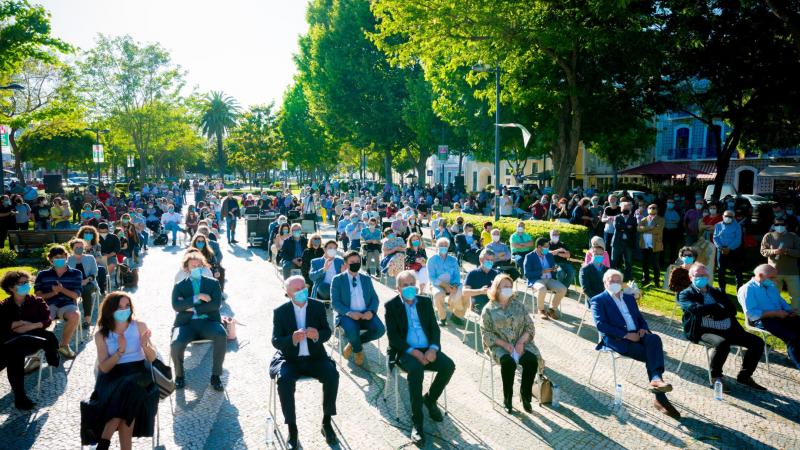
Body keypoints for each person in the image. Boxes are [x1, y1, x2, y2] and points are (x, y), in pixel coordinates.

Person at [591, 269, 680, 418]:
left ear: (622, 283)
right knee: (650, 353)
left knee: (654, 339)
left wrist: (644, 329)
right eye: (611, 281)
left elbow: (640, 318)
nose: (615, 284)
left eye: (617, 281)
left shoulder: (629, 298)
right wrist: (626, 335)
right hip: (618, 339)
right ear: (605, 283)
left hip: (638, 334)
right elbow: (601, 325)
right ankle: (659, 394)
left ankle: (657, 381)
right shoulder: (598, 300)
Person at [384, 271, 455, 445]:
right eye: (405, 285)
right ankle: (417, 424)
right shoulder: (391, 306)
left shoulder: (424, 301)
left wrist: (432, 348)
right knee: (416, 371)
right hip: (405, 351)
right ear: (398, 288)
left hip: (427, 348)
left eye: (412, 284)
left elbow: (434, 329)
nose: (409, 288)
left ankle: (430, 400)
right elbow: (394, 338)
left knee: (448, 366)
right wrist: (415, 353)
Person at [270, 275, 339, 448]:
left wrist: (318, 335)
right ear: (288, 293)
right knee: (284, 381)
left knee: (332, 374)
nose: (302, 291)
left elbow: (327, 331)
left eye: (303, 287)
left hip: (315, 357)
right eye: (297, 289)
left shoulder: (316, 306)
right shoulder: (280, 311)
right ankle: (292, 430)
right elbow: (276, 340)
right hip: (291, 359)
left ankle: (326, 422)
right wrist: (291, 339)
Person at [86, 292, 158, 450]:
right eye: (120, 307)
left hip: (138, 371)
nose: (124, 310)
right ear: (110, 310)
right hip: (113, 374)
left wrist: (145, 346)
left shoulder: (139, 326)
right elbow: (104, 367)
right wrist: (120, 352)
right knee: (126, 398)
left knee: (128, 386)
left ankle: (103, 444)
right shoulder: (101, 335)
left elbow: (152, 359)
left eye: (127, 306)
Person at [678, 264, 766, 391]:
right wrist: (716, 308)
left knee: (757, 342)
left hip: (728, 328)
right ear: (691, 277)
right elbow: (695, 309)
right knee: (722, 344)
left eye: (704, 275)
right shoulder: (685, 294)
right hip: (703, 330)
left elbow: (732, 310)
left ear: (708, 277)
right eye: (698, 276)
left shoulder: (717, 292)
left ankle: (745, 376)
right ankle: (716, 377)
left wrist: (713, 312)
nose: (701, 278)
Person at [0, 270, 60, 410]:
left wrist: (29, 326)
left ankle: (20, 398)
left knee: (17, 347)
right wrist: (18, 323)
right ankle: (20, 398)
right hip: (13, 342)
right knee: (15, 352)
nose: (26, 285)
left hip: (31, 341)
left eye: (27, 282)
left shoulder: (37, 301)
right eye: (21, 283)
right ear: (10, 288)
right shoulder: (4, 305)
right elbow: (2, 324)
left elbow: (47, 319)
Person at [481, 274, 540, 414]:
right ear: (496, 288)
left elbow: (529, 327)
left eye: (510, 286)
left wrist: (520, 342)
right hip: (499, 346)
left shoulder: (518, 305)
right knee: (508, 364)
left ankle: (525, 397)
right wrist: (505, 345)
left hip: (519, 344)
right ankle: (507, 399)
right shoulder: (488, 309)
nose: (508, 289)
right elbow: (486, 333)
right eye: (504, 287)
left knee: (531, 361)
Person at [170, 252, 226, 391]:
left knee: (221, 334)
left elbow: (215, 305)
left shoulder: (213, 283)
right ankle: (179, 376)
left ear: (203, 266)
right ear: (186, 268)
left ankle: (216, 376)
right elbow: (177, 306)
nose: (196, 267)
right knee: (176, 343)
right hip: (186, 324)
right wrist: (198, 297)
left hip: (208, 323)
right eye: (193, 265)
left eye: (199, 265)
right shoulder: (179, 286)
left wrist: (189, 307)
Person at [739, 264, 800, 370]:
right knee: (792, 337)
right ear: (760, 275)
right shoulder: (747, 289)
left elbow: (781, 301)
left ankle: (794, 355)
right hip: (762, 320)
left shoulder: (771, 286)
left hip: (779, 315)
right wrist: (775, 313)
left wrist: (790, 311)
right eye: (772, 277)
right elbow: (752, 314)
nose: (774, 280)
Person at [330, 251, 386, 366]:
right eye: (352, 262)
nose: (355, 263)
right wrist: (349, 313)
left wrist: (371, 311)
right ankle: (358, 350)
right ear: (345, 264)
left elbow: (374, 299)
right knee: (351, 330)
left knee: (380, 329)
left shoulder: (366, 279)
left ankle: (353, 344)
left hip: (366, 313)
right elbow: (335, 303)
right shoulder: (337, 279)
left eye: (357, 261)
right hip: (347, 315)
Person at [34, 245, 83, 359]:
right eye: (56, 257)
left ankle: (64, 345)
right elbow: (38, 295)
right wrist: (53, 293)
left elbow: (76, 295)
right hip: (47, 304)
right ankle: (35, 355)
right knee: (39, 321)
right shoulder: (42, 274)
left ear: (66, 257)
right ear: (51, 259)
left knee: (75, 315)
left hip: (67, 304)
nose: (60, 259)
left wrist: (61, 290)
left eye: (62, 256)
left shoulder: (76, 273)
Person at [523, 238, 566, 320]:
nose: (548, 248)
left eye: (548, 246)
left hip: (549, 279)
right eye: (546, 246)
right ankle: (541, 310)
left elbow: (552, 267)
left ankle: (552, 310)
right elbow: (527, 274)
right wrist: (541, 272)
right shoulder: (529, 256)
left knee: (563, 289)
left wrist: (554, 269)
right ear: (539, 247)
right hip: (536, 279)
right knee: (542, 289)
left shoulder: (549, 255)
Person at [760, 218, 800, 305]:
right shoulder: (768, 236)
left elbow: (799, 252)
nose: (779, 226)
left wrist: (787, 251)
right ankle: (775, 316)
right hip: (774, 273)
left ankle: (796, 314)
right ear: (774, 226)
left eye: (782, 224)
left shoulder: (793, 236)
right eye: (777, 225)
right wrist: (774, 251)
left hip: (792, 273)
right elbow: (763, 251)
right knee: (772, 297)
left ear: (786, 226)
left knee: (796, 296)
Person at [427, 237, 466, 326]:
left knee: (464, 291)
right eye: (441, 245)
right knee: (438, 294)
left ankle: (456, 314)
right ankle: (443, 318)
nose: (443, 247)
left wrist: (455, 285)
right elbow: (431, 278)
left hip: (452, 284)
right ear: (437, 247)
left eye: (445, 245)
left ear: (448, 247)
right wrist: (445, 285)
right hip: (437, 284)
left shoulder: (453, 260)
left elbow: (457, 275)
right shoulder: (432, 260)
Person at [67, 238, 100, 329]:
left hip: (89, 283)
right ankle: (73, 317)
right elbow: (67, 275)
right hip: (74, 284)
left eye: (81, 247)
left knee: (85, 290)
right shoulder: (68, 260)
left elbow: (95, 272)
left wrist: (86, 280)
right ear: (72, 248)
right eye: (77, 247)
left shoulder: (90, 258)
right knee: (70, 293)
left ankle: (87, 320)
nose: (79, 248)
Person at [713, 209, 743, 293]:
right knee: (721, 271)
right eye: (726, 216)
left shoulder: (737, 226)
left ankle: (739, 291)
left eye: (730, 216)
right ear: (723, 216)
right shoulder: (718, 225)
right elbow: (715, 237)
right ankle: (721, 290)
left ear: (733, 218)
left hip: (734, 251)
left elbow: (738, 240)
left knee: (738, 271)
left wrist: (729, 248)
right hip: (721, 250)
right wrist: (720, 247)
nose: (728, 218)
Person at [463, 249, 499, 313]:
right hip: (478, 307)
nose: (490, 262)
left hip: (494, 307)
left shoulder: (496, 274)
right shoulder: (472, 273)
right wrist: (480, 291)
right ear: (481, 260)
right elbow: (465, 292)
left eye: (492, 260)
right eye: (488, 260)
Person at [638, 204, 664, 287]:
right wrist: (650, 227)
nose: (652, 209)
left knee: (655, 264)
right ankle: (645, 279)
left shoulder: (661, 219)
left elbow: (658, 230)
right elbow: (638, 229)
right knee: (644, 263)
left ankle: (657, 281)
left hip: (655, 245)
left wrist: (645, 229)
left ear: (657, 209)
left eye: (654, 208)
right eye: (650, 208)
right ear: (647, 209)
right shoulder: (643, 219)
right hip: (644, 245)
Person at [611, 202, 638, 281]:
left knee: (628, 261)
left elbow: (634, 229)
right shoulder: (617, 217)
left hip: (628, 243)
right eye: (624, 208)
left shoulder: (633, 218)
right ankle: (611, 276)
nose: (626, 209)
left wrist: (623, 227)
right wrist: (627, 227)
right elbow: (617, 226)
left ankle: (628, 277)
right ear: (621, 209)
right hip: (617, 242)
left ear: (630, 209)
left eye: (627, 208)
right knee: (614, 260)